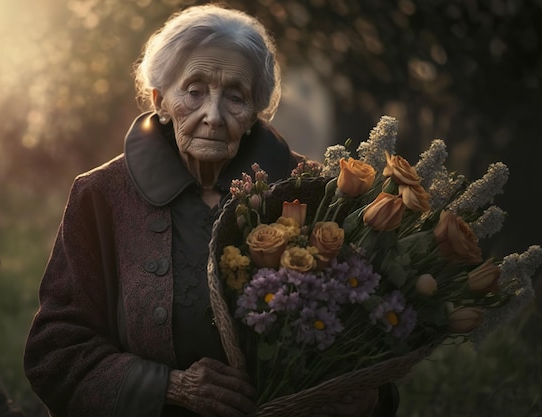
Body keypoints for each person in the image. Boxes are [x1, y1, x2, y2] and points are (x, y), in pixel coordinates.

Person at [24, 4, 398, 417]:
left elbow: (367, 331)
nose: (214, 116)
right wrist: (170, 386)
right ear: (160, 100)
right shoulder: (101, 196)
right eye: (194, 91)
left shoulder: (315, 192)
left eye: (235, 97)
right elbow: (55, 350)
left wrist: (367, 395)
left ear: (256, 111)